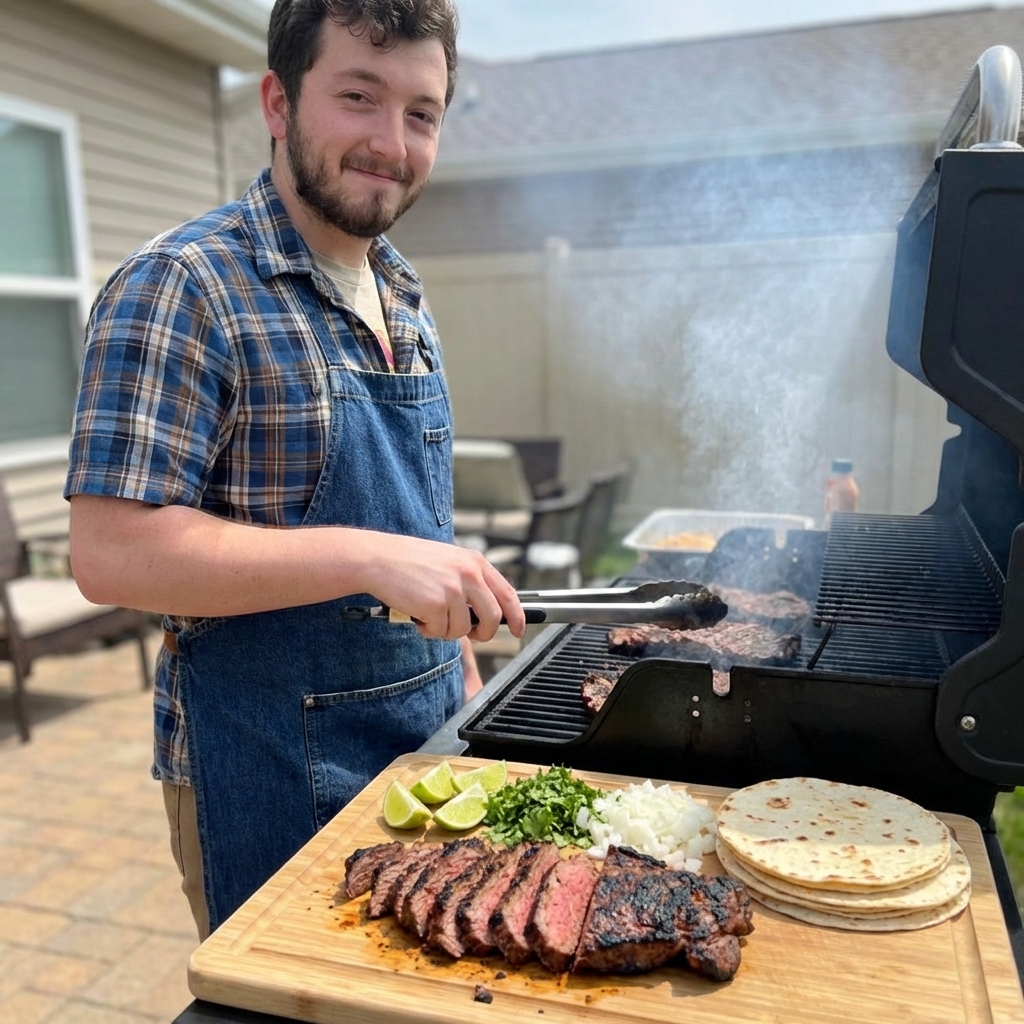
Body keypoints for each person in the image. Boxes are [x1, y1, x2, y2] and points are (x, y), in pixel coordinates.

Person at [64, 0, 526, 939]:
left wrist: (467, 688)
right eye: (358, 96)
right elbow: (110, 553)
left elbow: (419, 533)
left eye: (422, 112)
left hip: (425, 756)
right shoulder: (184, 286)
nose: (390, 141)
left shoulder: (402, 289)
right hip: (265, 771)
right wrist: (364, 555)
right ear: (279, 101)